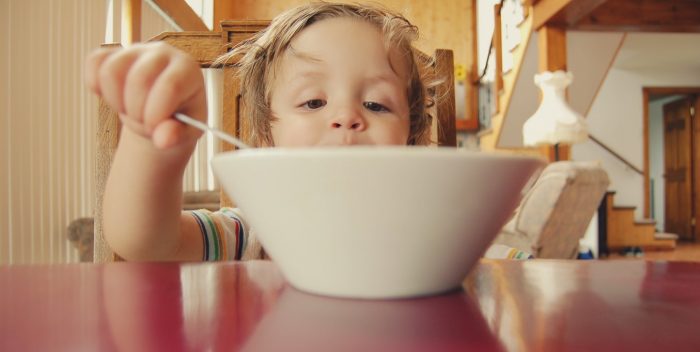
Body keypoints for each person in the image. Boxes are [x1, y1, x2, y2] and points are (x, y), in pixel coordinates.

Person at [85, 2, 437, 261]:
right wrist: (153, 142)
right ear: (267, 138)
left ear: (410, 136)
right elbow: (142, 242)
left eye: (377, 104)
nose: (346, 116)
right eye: (314, 102)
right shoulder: (250, 233)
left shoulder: (432, 232)